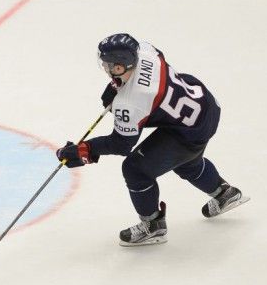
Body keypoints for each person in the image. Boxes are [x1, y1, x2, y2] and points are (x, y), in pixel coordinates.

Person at [56, 33, 248, 246]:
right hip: (206, 105)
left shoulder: (131, 102)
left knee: (135, 169)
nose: (107, 70)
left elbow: (122, 144)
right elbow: (156, 70)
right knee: (186, 162)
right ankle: (225, 193)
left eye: (111, 67)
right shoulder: (145, 50)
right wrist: (117, 87)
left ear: (122, 66)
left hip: (188, 131)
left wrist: (85, 150)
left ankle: (153, 226)